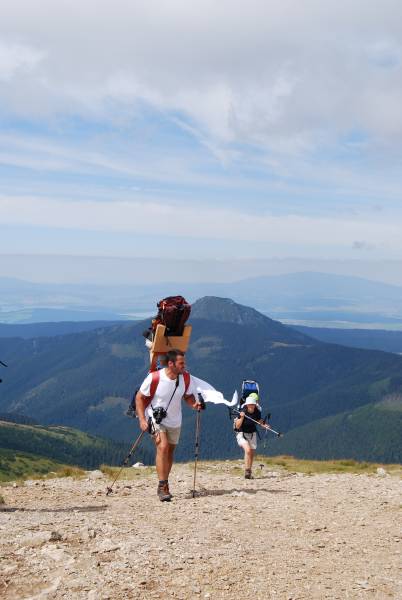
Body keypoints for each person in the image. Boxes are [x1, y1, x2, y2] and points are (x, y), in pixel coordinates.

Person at [135, 349, 202, 501]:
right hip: (156, 419)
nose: (184, 366)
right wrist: (142, 420)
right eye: (181, 363)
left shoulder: (185, 378)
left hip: (175, 420)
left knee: (170, 452)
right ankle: (162, 485)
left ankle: (165, 481)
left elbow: (188, 395)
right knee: (163, 447)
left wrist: (194, 404)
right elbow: (139, 398)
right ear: (171, 364)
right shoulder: (154, 378)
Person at [234, 392, 269, 479]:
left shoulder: (257, 411)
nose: (251, 406)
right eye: (250, 404)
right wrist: (241, 417)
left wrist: (264, 425)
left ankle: (249, 471)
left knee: (252, 453)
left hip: (252, 433)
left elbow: (259, 420)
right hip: (241, 433)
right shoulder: (243, 411)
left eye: (253, 404)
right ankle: (247, 470)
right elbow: (237, 426)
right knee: (248, 450)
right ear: (247, 404)